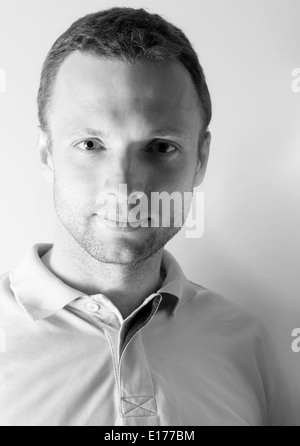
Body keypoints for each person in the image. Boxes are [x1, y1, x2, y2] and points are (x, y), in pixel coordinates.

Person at [0, 7, 293, 426]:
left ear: (200, 158)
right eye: (90, 144)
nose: (124, 187)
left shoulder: (247, 343)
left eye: (160, 146)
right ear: (47, 153)